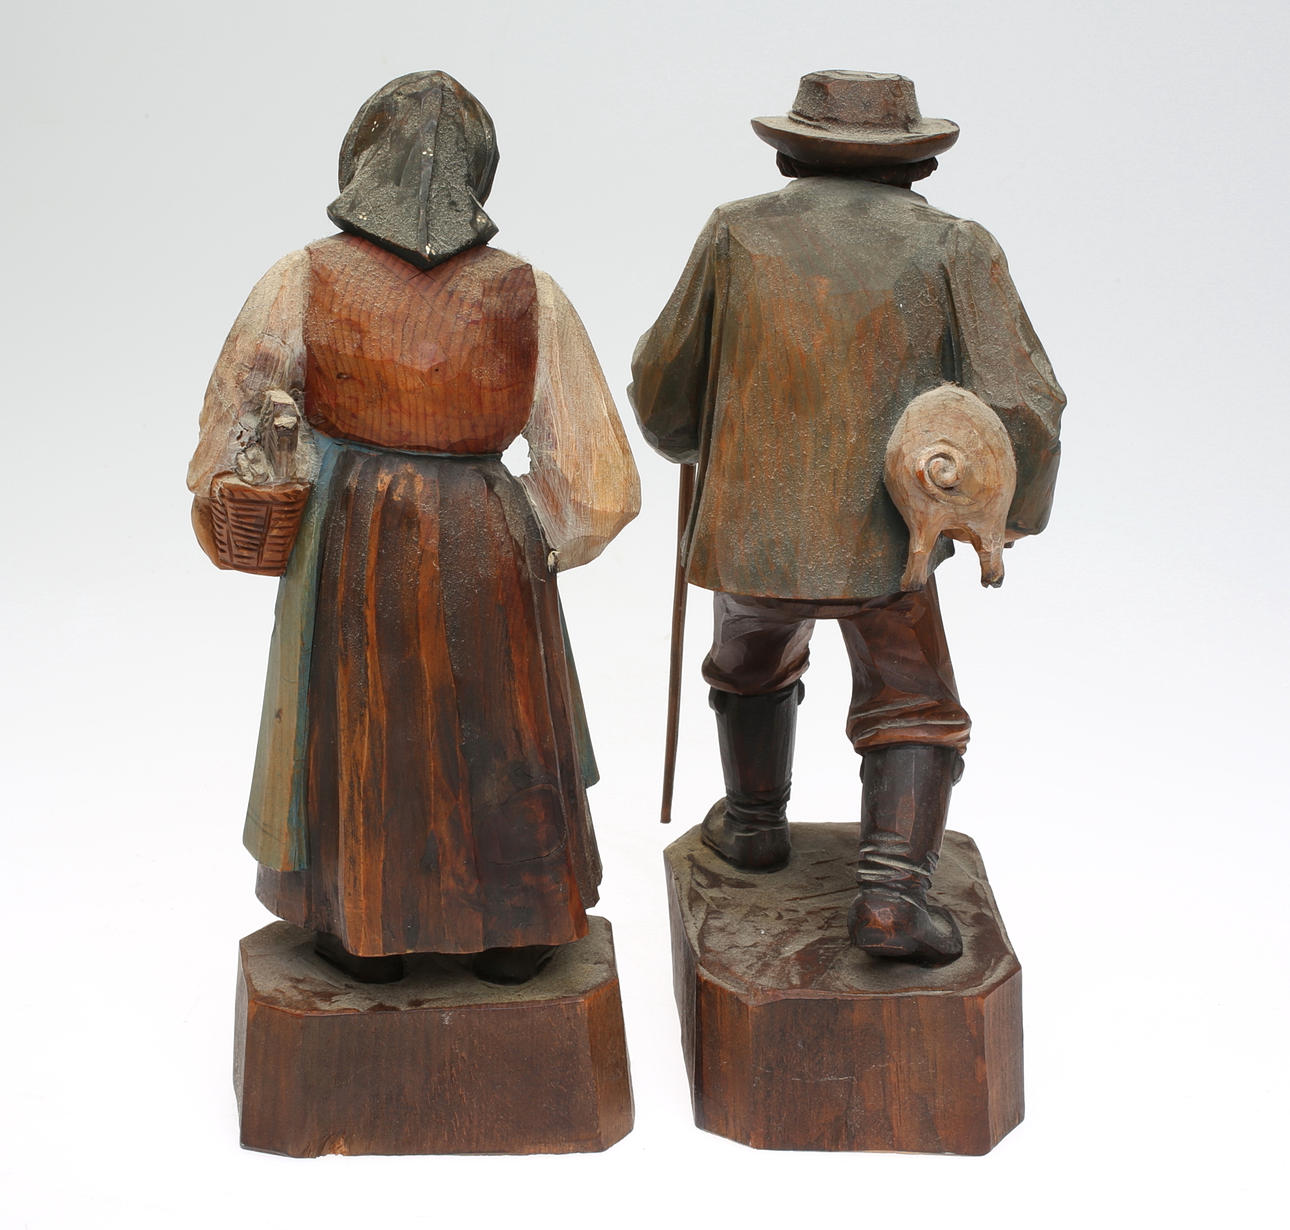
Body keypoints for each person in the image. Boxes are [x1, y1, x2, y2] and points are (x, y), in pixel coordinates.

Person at [189, 71, 640, 985]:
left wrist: (245, 495)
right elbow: (598, 483)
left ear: (361, 156)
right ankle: (515, 927)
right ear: (481, 170)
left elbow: (235, 423)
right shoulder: (529, 293)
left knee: (363, 730)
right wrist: (524, 534)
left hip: (349, 540)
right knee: (504, 729)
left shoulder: (302, 278)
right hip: (489, 542)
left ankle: (363, 923)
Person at [630, 71, 1064, 965]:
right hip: (892, 544)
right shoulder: (956, 245)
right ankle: (893, 897)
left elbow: (664, 375)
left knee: (749, 662)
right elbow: (1024, 400)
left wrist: (682, 437)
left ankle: (754, 822)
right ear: (917, 163)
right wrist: (1006, 514)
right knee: (914, 705)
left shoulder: (735, 233)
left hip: (751, 529)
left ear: (790, 155)